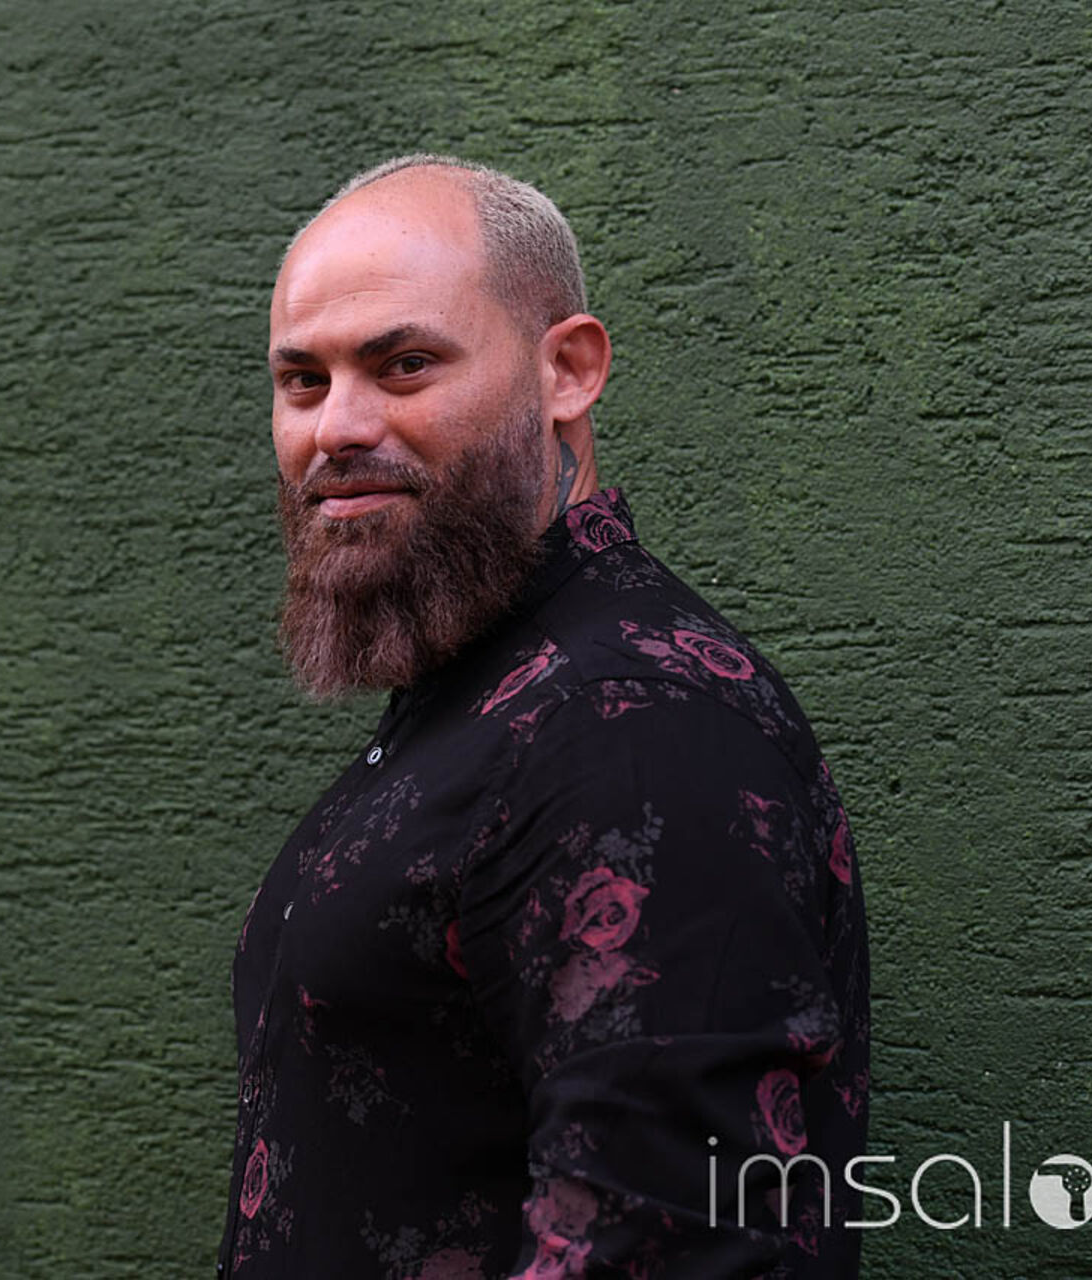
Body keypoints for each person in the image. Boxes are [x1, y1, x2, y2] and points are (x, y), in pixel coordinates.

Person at [221, 154, 869, 1279]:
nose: (338, 427)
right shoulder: (493, 695)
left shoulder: (629, 720)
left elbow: (673, 1245)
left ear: (566, 370)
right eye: (303, 382)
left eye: (405, 364)